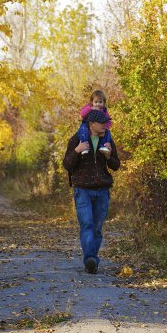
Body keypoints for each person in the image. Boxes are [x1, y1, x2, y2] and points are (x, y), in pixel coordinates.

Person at [63, 109, 120, 274]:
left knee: (96, 228)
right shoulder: (77, 139)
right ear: (91, 124)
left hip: (102, 190)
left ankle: (91, 260)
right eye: (101, 123)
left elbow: (116, 166)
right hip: (83, 190)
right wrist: (77, 150)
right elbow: (67, 165)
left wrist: (109, 156)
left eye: (105, 123)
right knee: (87, 224)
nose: (105, 126)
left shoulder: (107, 140)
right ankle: (91, 259)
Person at [78, 90, 112, 155]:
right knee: (83, 130)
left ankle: (103, 146)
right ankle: (85, 145)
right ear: (92, 102)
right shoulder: (89, 107)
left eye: (100, 102)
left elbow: (108, 120)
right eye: (96, 102)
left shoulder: (104, 110)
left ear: (104, 103)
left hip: (100, 128)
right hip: (87, 123)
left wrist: (106, 128)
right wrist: (91, 108)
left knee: (108, 133)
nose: (98, 104)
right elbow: (82, 114)